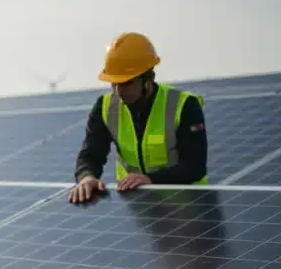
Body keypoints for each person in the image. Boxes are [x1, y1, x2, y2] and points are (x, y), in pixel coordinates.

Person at [69, 31, 209, 203]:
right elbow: (90, 154)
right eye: (114, 83)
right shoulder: (104, 108)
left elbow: (194, 167)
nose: (119, 91)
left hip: (189, 207)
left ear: (148, 78)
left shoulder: (184, 105)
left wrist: (151, 180)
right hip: (138, 206)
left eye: (127, 82)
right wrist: (86, 177)